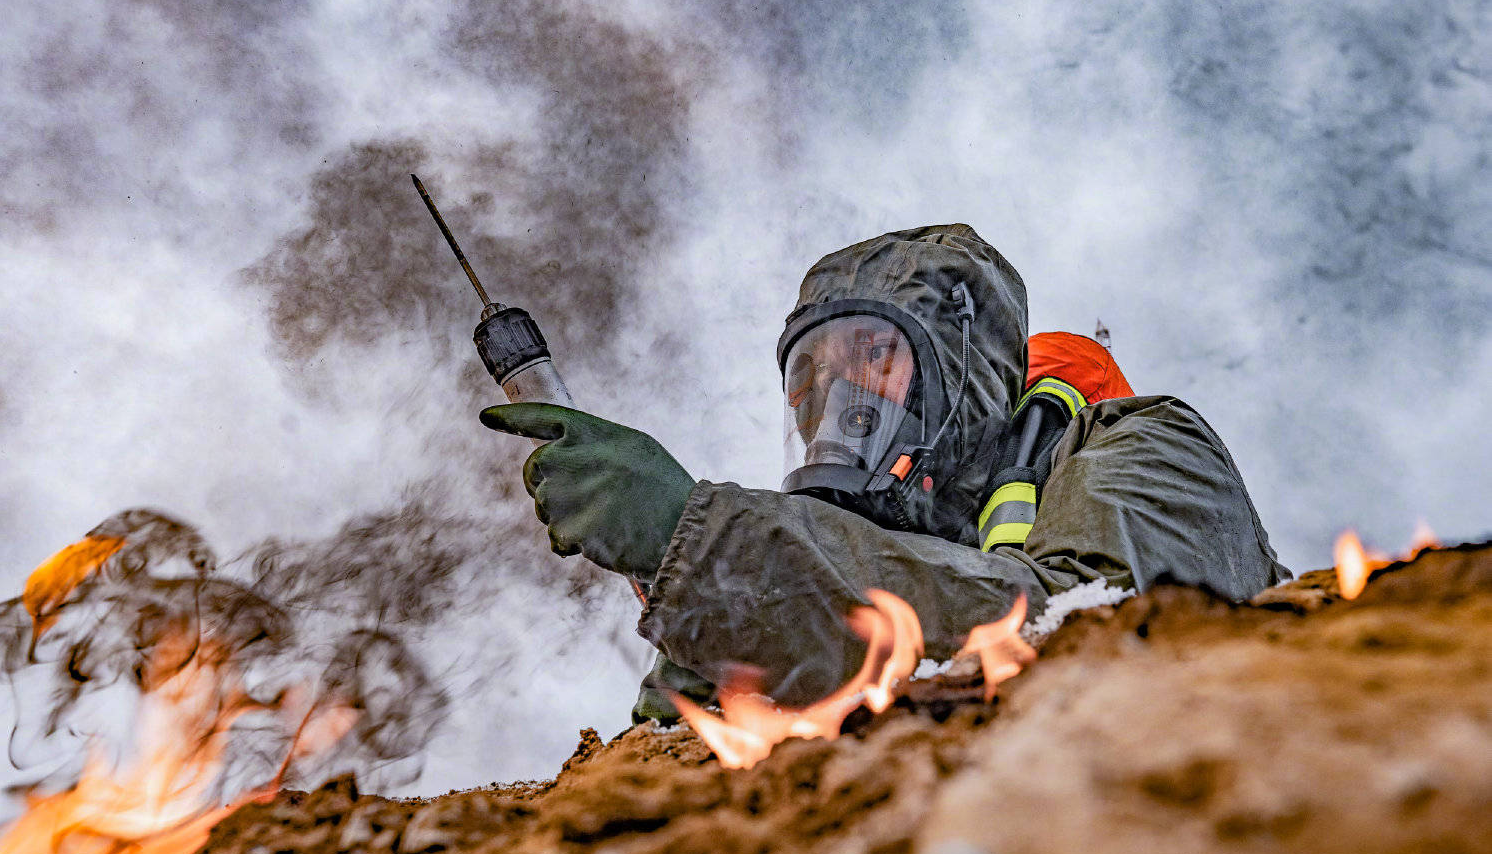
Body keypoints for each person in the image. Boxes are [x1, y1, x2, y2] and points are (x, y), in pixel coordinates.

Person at [480, 226, 1289, 721]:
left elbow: (1090, 630)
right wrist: (706, 625)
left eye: (873, 356)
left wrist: (704, 541)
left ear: (958, 367)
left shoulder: (1147, 445)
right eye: (813, 379)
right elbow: (680, 772)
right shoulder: (845, 567)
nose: (841, 401)